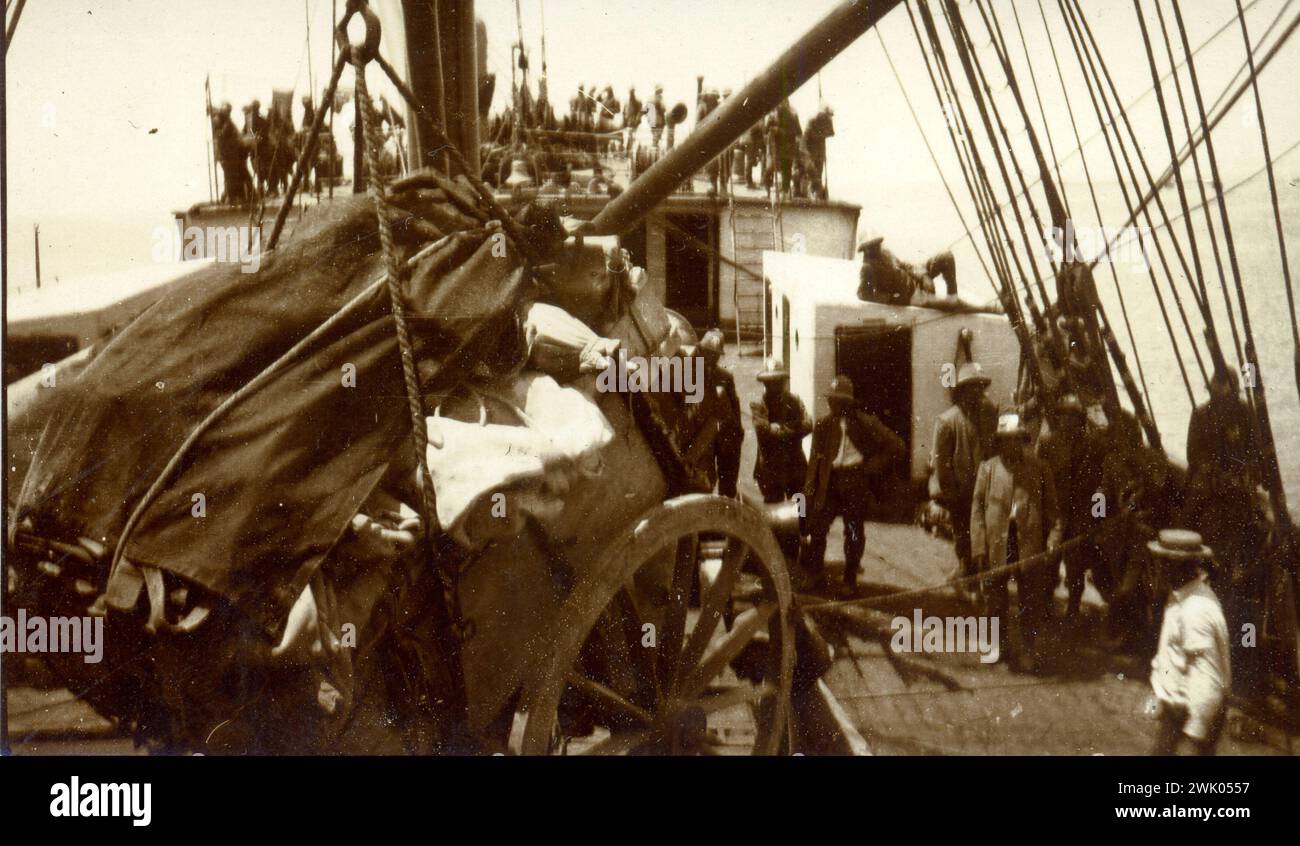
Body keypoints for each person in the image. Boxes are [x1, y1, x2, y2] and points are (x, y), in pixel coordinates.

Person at [1182, 365, 1268, 695]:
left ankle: (1245, 670)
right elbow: (1196, 461)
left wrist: (1244, 479)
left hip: (1240, 515)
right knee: (1219, 588)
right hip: (1213, 512)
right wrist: (1220, 479)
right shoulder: (1202, 416)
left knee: (1243, 594)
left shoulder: (1246, 415)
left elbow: (1258, 460)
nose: (1224, 393)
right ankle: (1220, 661)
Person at [971, 411, 1062, 672]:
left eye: (1015, 439)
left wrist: (1053, 540)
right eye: (1005, 439)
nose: (1010, 444)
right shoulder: (987, 469)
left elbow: (1053, 511)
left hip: (1029, 544)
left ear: (1022, 439)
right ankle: (998, 644)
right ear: (999, 442)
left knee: (1030, 601)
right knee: (994, 600)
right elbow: (976, 509)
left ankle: (1028, 648)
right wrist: (979, 546)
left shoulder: (1040, 469)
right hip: (996, 543)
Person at [803, 376, 906, 593]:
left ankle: (850, 580)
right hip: (828, 482)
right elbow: (815, 460)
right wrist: (809, 491)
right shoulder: (823, 425)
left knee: (853, 530)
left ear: (847, 402)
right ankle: (815, 575)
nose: (833, 404)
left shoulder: (864, 422)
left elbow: (897, 446)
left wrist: (871, 466)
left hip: (854, 481)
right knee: (817, 526)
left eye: (837, 400)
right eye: (831, 399)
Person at [1148, 530, 1231, 756]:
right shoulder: (1179, 597)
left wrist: (1194, 736)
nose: (1157, 568)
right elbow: (1170, 652)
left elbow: (1209, 678)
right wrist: (1159, 693)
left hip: (1196, 711)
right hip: (1177, 707)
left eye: (1163, 562)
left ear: (1179, 567)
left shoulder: (1196, 611)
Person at [930, 361, 997, 594]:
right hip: (962, 489)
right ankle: (965, 571)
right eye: (971, 387)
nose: (977, 391)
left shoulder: (989, 414)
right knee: (963, 533)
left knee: (987, 533)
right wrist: (950, 492)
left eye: (980, 386)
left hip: (987, 486)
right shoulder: (948, 421)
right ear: (962, 390)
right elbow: (942, 462)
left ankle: (983, 576)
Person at [1036, 393, 1103, 618]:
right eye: (1064, 416)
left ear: (1080, 418)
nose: (1068, 421)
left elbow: (1101, 486)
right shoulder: (1047, 443)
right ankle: (1045, 603)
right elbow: (1038, 479)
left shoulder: (1093, 445)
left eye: (1073, 417)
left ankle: (1073, 606)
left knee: (1076, 563)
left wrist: (1097, 516)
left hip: (1081, 513)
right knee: (1049, 559)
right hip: (1055, 512)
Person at [687, 329, 743, 498]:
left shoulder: (725, 377)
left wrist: (737, 434)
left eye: (715, 355)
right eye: (708, 354)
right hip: (704, 436)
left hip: (726, 434)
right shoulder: (690, 375)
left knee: (728, 485)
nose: (712, 358)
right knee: (704, 481)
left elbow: (735, 408)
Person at [751, 358, 811, 504]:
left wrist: (779, 428)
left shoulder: (795, 400)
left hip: (795, 466)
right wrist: (795, 428)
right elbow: (763, 430)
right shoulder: (758, 405)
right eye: (769, 381)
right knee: (774, 514)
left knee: (801, 510)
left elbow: (808, 424)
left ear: (783, 381)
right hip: (770, 470)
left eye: (777, 381)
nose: (773, 385)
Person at [857, 237, 958, 305]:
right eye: (872, 246)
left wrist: (923, 276)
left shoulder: (885, 252)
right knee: (945, 305)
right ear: (865, 249)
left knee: (946, 255)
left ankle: (952, 297)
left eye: (877, 243)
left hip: (916, 279)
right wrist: (895, 300)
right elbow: (864, 295)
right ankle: (950, 303)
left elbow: (905, 265)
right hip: (912, 296)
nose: (876, 247)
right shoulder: (867, 268)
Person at [803, 104, 834, 200]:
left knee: (819, 172)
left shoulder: (828, 121)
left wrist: (823, 133)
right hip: (811, 149)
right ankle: (810, 191)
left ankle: (817, 194)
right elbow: (806, 136)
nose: (829, 117)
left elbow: (831, 133)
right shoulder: (813, 120)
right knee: (812, 171)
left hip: (820, 150)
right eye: (827, 115)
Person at [772, 99, 802, 198]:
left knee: (784, 168)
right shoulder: (793, 114)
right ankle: (785, 189)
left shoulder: (780, 113)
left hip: (782, 146)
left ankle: (784, 190)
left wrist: (778, 131)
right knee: (786, 169)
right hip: (787, 146)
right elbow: (798, 132)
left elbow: (796, 132)